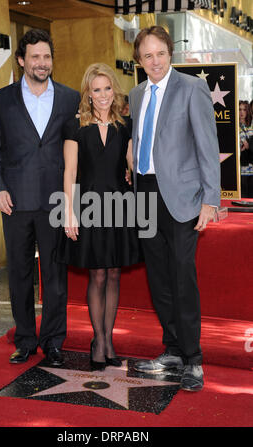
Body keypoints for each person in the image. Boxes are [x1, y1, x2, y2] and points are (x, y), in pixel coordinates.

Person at [129, 26, 220, 391]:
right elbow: (141, 140)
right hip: (146, 195)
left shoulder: (192, 88)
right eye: (147, 55)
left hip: (182, 199)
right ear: (140, 60)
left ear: (170, 54)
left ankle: (194, 360)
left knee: (183, 277)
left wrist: (210, 199)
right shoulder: (136, 94)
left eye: (160, 54)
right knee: (159, 278)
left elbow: (206, 145)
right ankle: (172, 350)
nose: (155, 61)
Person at [0, 29, 80, 366]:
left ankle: (54, 341)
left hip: (56, 202)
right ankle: (25, 339)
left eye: (47, 56)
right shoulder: (2, 99)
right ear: (22, 60)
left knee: (55, 276)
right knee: (20, 274)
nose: (43, 63)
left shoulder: (70, 99)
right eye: (35, 57)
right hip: (16, 202)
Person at [57, 63, 139, 370]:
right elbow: (70, 172)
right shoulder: (74, 126)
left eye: (107, 88)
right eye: (96, 90)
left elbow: (133, 164)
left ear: (113, 90)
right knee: (98, 274)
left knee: (115, 273)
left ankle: (109, 339)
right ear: (88, 94)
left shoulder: (125, 124)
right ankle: (98, 339)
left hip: (120, 205)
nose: (103, 95)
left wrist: (134, 170)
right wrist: (68, 212)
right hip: (89, 206)